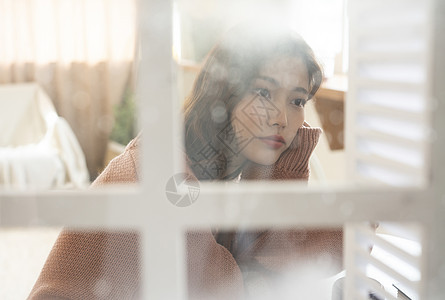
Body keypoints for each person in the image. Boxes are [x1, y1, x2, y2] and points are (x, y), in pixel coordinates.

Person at [28, 23, 342, 300]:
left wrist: (279, 167)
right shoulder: (168, 175)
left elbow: (260, 253)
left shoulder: (211, 163)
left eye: (297, 101)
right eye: (262, 92)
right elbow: (233, 287)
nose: (283, 118)